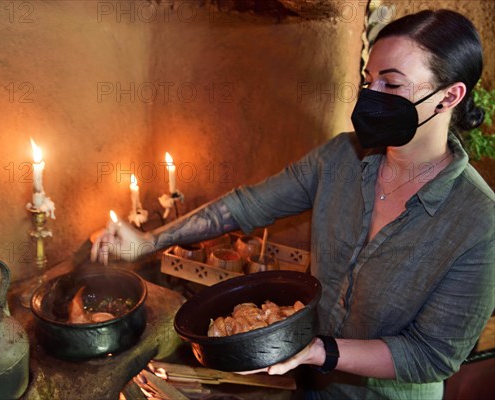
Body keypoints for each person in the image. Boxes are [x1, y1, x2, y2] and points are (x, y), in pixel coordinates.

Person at [93, 9, 494, 399]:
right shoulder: (340, 158)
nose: (371, 97)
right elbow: (246, 206)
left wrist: (320, 351)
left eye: (391, 86)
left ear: (449, 96)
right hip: (308, 385)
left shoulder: (480, 222)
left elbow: (430, 355)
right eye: (368, 81)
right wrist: (148, 241)